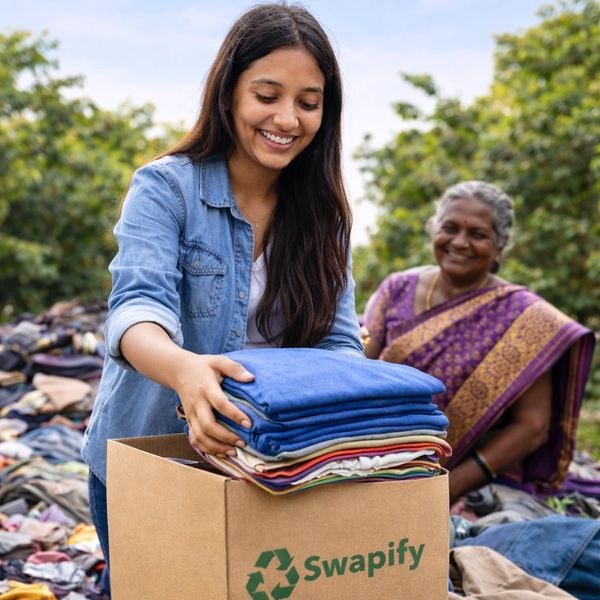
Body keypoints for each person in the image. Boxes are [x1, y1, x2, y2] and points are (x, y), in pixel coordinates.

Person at [81, 4, 363, 592]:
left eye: (308, 102)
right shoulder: (166, 186)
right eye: (267, 95)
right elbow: (136, 310)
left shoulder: (324, 216)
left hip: (275, 468)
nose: (287, 118)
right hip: (154, 459)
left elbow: (339, 343)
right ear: (229, 92)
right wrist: (185, 372)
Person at [363, 181, 595, 504]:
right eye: (450, 228)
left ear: (500, 246)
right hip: (371, 456)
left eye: (478, 234)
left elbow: (533, 426)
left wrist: (450, 485)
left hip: (465, 478)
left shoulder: (526, 318)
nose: (460, 242)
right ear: (435, 230)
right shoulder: (397, 288)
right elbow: (357, 370)